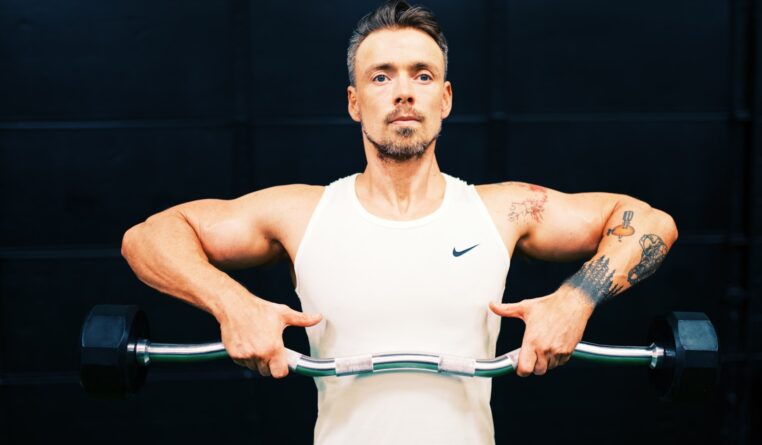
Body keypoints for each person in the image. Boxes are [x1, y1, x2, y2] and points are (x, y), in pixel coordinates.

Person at [120, 1, 678, 443]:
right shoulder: (302, 214)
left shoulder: (500, 211)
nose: (404, 91)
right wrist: (232, 304)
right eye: (381, 77)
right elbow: (148, 239)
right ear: (354, 102)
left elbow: (648, 221)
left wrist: (575, 300)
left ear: (446, 98)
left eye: (422, 75)